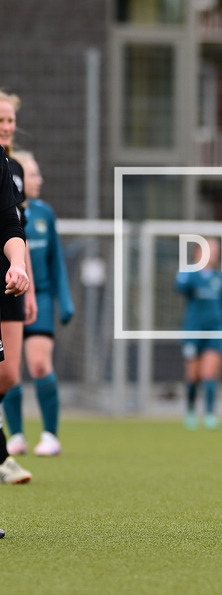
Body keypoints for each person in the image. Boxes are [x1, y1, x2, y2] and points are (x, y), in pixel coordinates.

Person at [2, 152, 73, 456]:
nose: (37, 180)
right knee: (9, 372)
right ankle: (15, 434)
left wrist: (64, 301)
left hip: (40, 295)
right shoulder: (14, 208)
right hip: (8, 290)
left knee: (40, 364)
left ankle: (50, 435)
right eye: (33, 175)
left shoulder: (44, 214)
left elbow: (56, 260)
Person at [0, 91, 36, 487]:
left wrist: (21, 271)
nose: (7, 127)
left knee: (8, 374)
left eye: (10, 120)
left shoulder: (12, 168)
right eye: (1, 120)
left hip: (9, 281)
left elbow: (13, 226)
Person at [176, 236, 222, 430]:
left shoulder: (221, 278)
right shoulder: (190, 273)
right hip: (193, 329)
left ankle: (210, 414)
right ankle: (190, 411)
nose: (213, 254)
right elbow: (179, 287)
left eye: (215, 251)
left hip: (216, 329)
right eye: (209, 250)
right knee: (193, 375)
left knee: (209, 373)